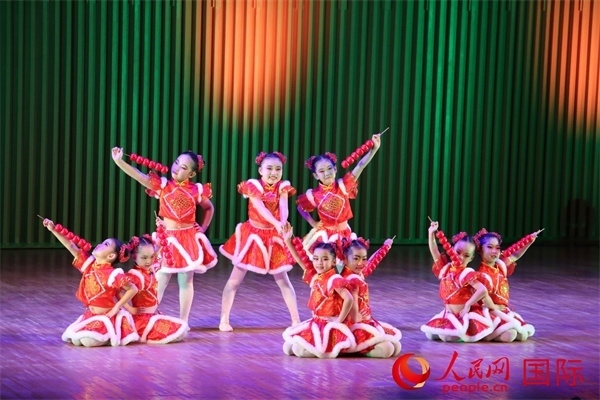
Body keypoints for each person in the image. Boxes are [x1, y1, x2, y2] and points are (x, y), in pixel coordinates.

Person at [111, 148, 217, 324]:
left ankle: (184, 321)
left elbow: (209, 208)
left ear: (191, 174)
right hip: (167, 239)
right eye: (176, 163)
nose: (176, 168)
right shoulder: (163, 185)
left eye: (183, 167)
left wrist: (203, 228)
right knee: (160, 279)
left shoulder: (196, 190)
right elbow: (139, 176)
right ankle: (149, 317)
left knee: (186, 281)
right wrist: (119, 161)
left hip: (188, 239)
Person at [219, 152, 300, 332]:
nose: (274, 172)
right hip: (253, 235)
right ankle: (224, 318)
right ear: (260, 170)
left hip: (273, 236)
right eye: (269, 168)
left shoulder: (282, 187)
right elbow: (260, 208)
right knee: (234, 280)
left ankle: (296, 320)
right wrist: (277, 223)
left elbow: (283, 207)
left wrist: (283, 223)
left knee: (283, 280)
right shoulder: (253, 186)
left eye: (278, 169)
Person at [42, 218, 139, 347]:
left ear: (111, 256)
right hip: (90, 315)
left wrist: (117, 307)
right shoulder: (89, 265)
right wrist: (53, 229)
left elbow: (133, 289)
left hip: (106, 317)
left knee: (86, 342)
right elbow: (71, 246)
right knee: (76, 340)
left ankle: (110, 334)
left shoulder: (113, 274)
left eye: (106, 244)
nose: (100, 244)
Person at [296, 133, 383, 262]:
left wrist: (374, 149)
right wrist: (312, 222)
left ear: (335, 169)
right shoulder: (314, 195)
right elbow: (300, 207)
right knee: (325, 266)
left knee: (344, 265)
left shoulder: (343, 186)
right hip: (325, 236)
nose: (327, 173)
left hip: (344, 234)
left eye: (329, 168)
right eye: (321, 171)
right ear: (315, 175)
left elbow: (360, 165)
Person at [281, 224, 356, 358]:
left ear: (334, 262)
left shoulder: (334, 279)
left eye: (325, 259)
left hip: (328, 325)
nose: (319, 263)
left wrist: (338, 322)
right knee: (288, 347)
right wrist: (287, 240)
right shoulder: (316, 276)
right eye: (316, 259)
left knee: (299, 350)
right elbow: (299, 259)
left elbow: (349, 298)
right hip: (316, 322)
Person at [420, 221, 497, 342]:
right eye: (458, 252)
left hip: (463, 316)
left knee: (446, 336)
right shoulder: (446, 268)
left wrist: (468, 304)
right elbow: (434, 250)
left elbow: (482, 290)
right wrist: (431, 233)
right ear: (452, 249)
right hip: (450, 315)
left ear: (471, 258)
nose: (461, 257)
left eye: (466, 255)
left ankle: (475, 333)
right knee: (431, 334)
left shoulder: (466, 273)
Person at [339, 237, 402, 358]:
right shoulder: (346, 279)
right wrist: (356, 315)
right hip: (352, 324)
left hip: (365, 321)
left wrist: (385, 247)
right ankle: (354, 350)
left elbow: (373, 262)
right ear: (345, 259)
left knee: (395, 347)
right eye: (356, 258)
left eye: (363, 259)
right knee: (387, 349)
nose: (360, 263)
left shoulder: (358, 273)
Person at [474, 228, 540, 342]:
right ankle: (488, 335)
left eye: (497, 248)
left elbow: (515, 255)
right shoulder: (481, 275)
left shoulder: (500, 266)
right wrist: (494, 307)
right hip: (490, 312)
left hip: (503, 310)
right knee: (510, 335)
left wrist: (529, 241)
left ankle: (502, 330)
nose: (494, 251)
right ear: (480, 250)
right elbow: (483, 299)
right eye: (490, 247)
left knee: (522, 335)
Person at [123, 235, 189, 343]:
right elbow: (117, 290)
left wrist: (164, 237)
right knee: (179, 332)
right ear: (134, 256)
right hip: (142, 319)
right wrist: (129, 308)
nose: (149, 261)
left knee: (181, 330)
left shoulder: (149, 268)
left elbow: (158, 253)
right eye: (144, 258)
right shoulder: (135, 275)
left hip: (152, 315)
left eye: (151, 256)